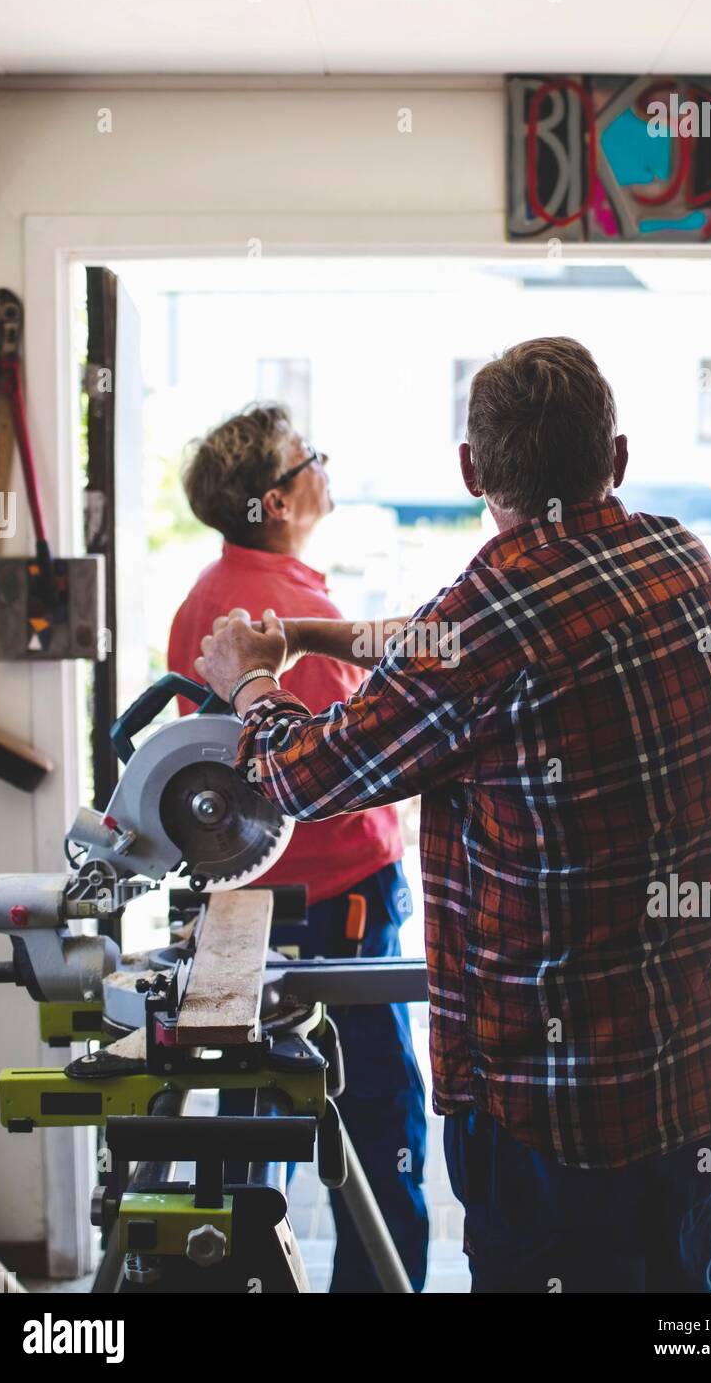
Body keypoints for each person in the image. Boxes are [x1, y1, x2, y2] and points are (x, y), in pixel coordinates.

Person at [196, 339, 711, 1295]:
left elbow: (299, 773)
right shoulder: (683, 559)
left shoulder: (494, 621)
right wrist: (303, 637)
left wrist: (248, 683)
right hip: (700, 1081)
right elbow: (445, 644)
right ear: (615, 459)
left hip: (560, 1122)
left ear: (469, 472)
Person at [167, 404, 428, 1293]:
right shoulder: (286, 613)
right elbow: (333, 774)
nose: (326, 464)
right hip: (338, 904)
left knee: (255, 1117)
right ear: (276, 503)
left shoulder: (208, 598)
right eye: (309, 457)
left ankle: (247, 1279)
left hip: (248, 910)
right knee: (379, 1118)